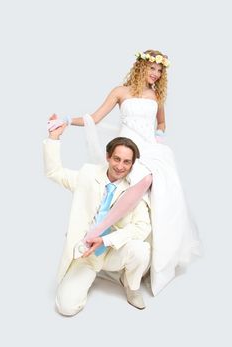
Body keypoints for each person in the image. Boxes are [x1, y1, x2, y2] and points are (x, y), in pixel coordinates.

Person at [48, 49, 201, 296]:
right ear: (141, 67)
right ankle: (100, 238)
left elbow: (161, 123)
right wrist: (66, 120)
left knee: (153, 186)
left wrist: (158, 136)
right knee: (128, 185)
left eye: (160, 71)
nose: (156, 74)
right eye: (153, 69)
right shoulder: (121, 91)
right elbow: (94, 117)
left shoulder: (156, 96)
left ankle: (137, 255)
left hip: (149, 148)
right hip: (128, 146)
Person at [43, 122, 152, 315]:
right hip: (86, 255)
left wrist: (106, 239)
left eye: (127, 162)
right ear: (108, 157)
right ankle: (89, 276)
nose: (120, 166)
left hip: (113, 251)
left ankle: (130, 286)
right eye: (116, 159)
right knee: (66, 308)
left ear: (133, 164)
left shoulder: (136, 188)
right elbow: (55, 173)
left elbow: (142, 228)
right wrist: (54, 138)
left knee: (141, 250)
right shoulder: (88, 174)